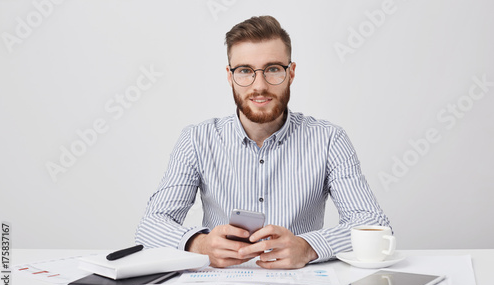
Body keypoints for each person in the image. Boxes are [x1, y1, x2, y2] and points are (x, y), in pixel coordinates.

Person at [135, 15, 391, 269]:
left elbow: (373, 222)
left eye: (272, 69)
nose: (259, 86)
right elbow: (150, 226)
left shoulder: (329, 139)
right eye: (245, 71)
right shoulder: (196, 139)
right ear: (230, 76)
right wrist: (198, 245)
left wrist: (308, 247)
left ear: (290, 73)